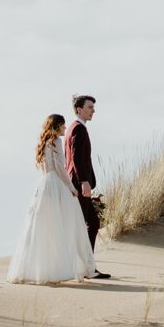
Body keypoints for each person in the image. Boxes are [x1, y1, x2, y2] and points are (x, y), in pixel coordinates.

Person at [7, 114, 96, 284]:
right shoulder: (56, 142)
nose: (64, 128)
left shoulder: (43, 143)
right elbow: (60, 169)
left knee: (43, 227)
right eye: (62, 126)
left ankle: (38, 269)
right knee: (65, 224)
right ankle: (62, 269)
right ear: (56, 127)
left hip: (43, 185)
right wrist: (71, 188)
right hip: (56, 185)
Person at [65, 94, 111, 279]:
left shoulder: (73, 128)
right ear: (79, 109)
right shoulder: (78, 129)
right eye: (90, 107)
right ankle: (85, 267)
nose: (93, 110)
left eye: (93, 107)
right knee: (88, 224)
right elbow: (76, 157)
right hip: (79, 184)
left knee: (90, 223)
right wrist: (84, 180)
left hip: (77, 184)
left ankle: (86, 266)